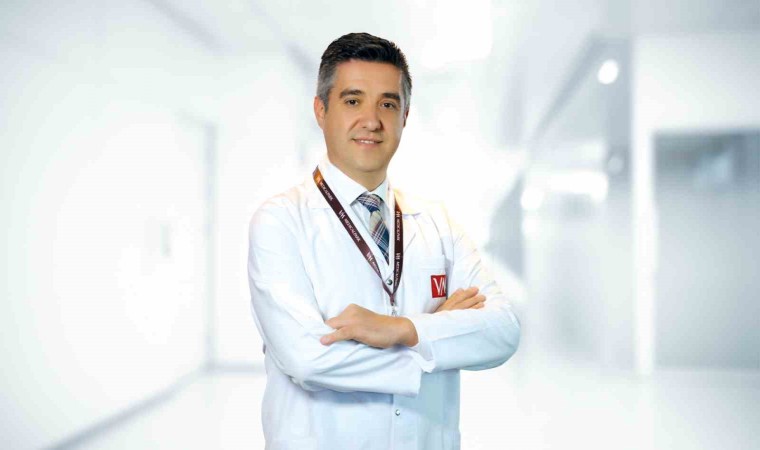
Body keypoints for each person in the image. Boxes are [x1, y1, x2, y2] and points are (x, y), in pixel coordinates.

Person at [247, 32, 520, 450]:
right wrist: (440, 339)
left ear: (405, 116)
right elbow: (308, 359)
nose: (372, 120)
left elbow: (502, 331)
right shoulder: (280, 221)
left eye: (388, 104)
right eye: (353, 101)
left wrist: (402, 329)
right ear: (321, 110)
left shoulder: (437, 223)